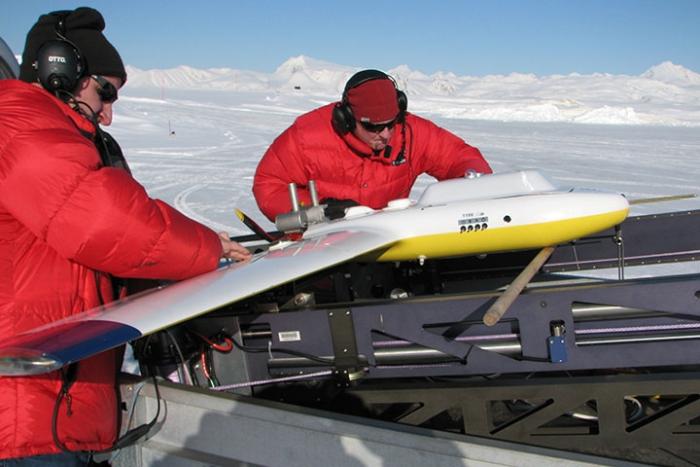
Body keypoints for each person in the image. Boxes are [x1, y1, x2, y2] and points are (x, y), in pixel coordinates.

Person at [0, 7, 250, 465]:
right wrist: (207, 249)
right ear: (60, 69)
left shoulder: (38, 130)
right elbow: (103, 220)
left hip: (49, 401)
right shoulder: (20, 128)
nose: (108, 114)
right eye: (105, 92)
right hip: (22, 411)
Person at [253, 69, 492, 221]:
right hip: (324, 250)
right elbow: (269, 185)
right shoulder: (307, 136)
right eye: (373, 127)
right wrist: (321, 210)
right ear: (346, 119)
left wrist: (471, 182)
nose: (386, 134)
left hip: (389, 244)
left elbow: (460, 158)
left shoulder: (410, 131)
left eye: (392, 123)